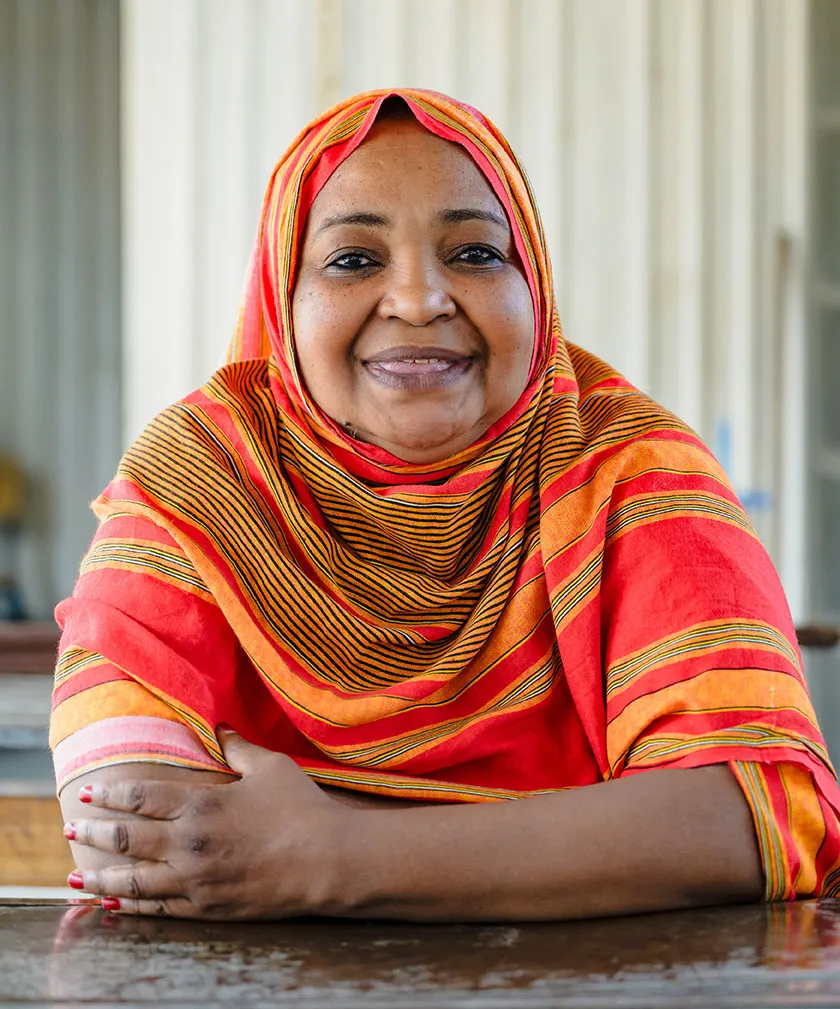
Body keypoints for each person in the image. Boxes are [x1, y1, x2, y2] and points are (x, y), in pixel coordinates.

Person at [51, 88, 840, 921]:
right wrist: (583, 847)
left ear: (531, 280)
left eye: (474, 254)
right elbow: (121, 821)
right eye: (354, 260)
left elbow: (757, 814)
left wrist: (329, 855)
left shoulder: (628, 467)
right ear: (281, 299)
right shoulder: (203, 475)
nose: (421, 299)